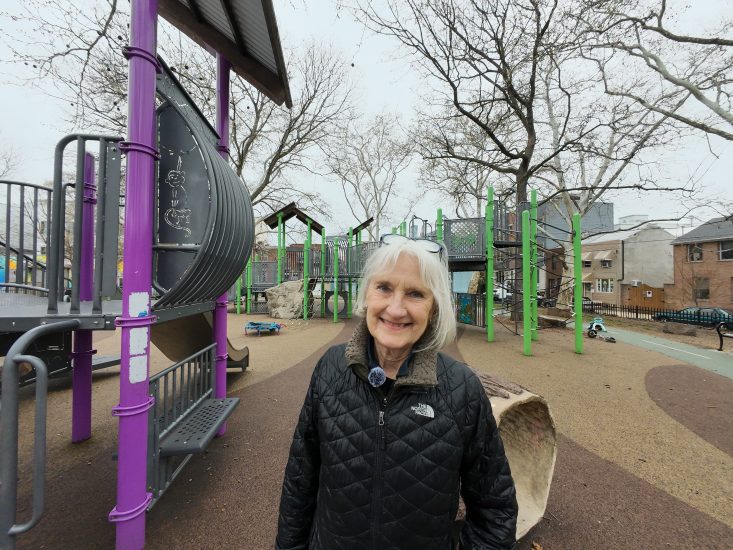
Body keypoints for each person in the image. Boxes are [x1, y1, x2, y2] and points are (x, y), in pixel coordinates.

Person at [276, 234, 518, 549]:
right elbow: (300, 480)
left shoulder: (462, 391)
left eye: (415, 294)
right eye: (384, 287)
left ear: (434, 309)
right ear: (367, 293)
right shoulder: (331, 369)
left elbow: (495, 511)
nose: (395, 308)